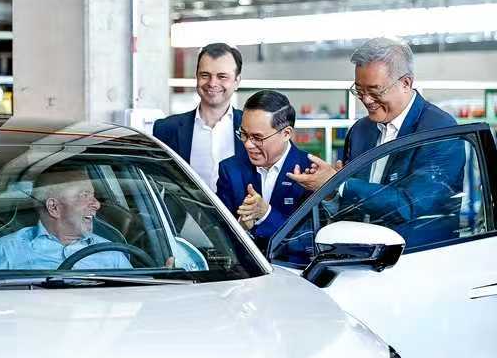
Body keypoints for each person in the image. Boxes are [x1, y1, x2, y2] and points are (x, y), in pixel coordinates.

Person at [287, 37, 463, 247]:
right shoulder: (361, 131)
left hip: (418, 256)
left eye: (375, 91)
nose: (366, 99)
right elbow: (352, 206)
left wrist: (340, 183)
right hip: (360, 255)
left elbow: (412, 206)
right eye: (359, 90)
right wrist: (331, 191)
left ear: (406, 83)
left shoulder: (439, 130)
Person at [0, 169, 134, 270]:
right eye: (84, 195)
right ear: (54, 207)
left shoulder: (111, 252)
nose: (97, 204)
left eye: (93, 195)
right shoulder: (6, 251)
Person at [216, 90, 313, 246]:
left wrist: (266, 214)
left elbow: (309, 240)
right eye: (244, 134)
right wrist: (242, 227)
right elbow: (217, 232)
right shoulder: (230, 169)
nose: (248, 144)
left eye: (257, 138)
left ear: (286, 133)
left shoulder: (311, 172)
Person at [153, 42, 243, 191]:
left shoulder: (253, 130)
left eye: (222, 76)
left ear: (237, 81)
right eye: (205, 75)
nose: (212, 83)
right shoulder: (166, 129)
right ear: (196, 77)